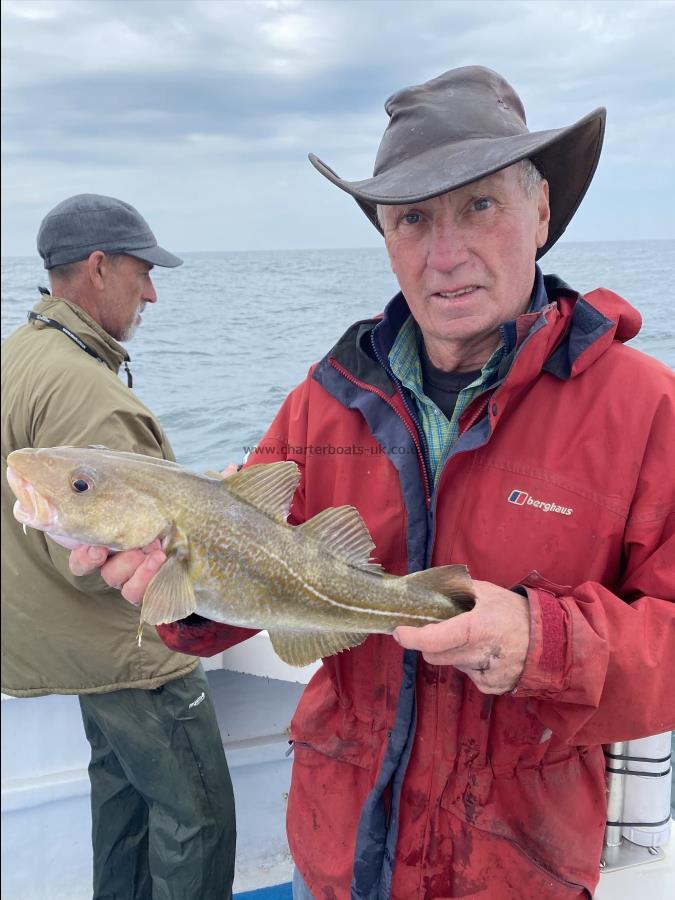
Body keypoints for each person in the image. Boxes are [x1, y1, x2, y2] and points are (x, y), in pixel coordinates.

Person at [71, 68, 675, 899]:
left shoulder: (645, 408)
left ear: (541, 213)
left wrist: (542, 644)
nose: (444, 252)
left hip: (518, 867)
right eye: (412, 218)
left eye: (479, 206)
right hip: (339, 852)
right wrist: (186, 590)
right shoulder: (322, 399)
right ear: (384, 237)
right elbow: (244, 591)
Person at [1, 194, 236, 900]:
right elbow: (124, 557)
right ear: (99, 268)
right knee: (198, 818)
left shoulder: (23, 351)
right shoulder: (88, 392)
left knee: (122, 803)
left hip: (61, 645)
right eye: (143, 272)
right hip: (128, 653)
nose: (153, 292)